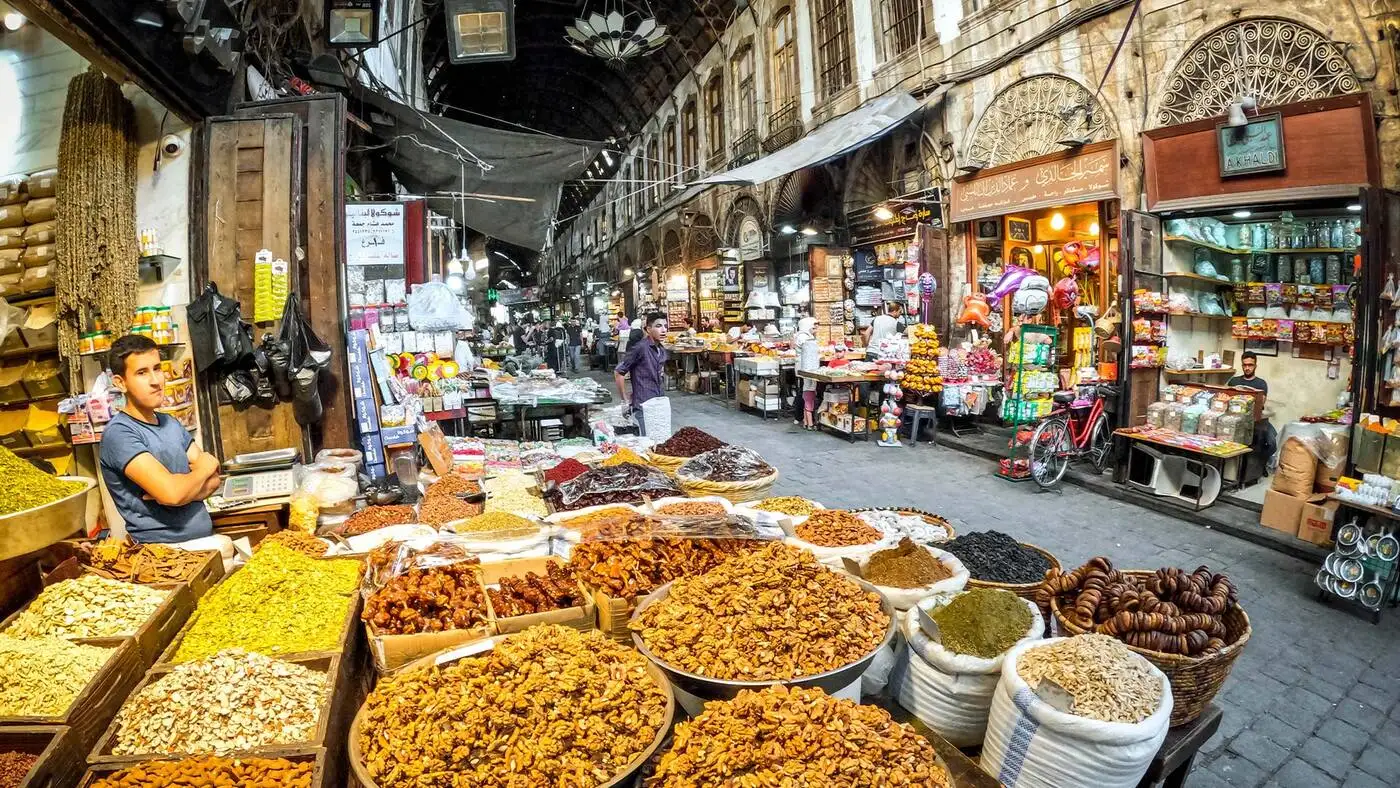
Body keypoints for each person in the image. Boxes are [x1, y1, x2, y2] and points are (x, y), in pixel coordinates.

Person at [99, 334, 220, 543]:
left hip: (204, 542)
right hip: (164, 556)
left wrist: (183, 490)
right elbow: (172, 494)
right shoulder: (120, 435)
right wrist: (206, 466)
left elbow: (214, 480)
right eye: (142, 373)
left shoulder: (170, 423)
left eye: (157, 368)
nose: (156, 381)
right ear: (120, 382)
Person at [614, 312, 669, 436]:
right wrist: (624, 400)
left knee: (661, 441)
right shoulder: (641, 348)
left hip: (659, 402)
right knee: (648, 442)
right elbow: (619, 372)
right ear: (648, 329)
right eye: (658, 326)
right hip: (644, 404)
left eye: (665, 326)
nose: (663, 330)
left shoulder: (661, 349)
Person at [1227, 350, 1277, 483]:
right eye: (1245, 365)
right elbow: (1226, 398)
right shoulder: (1234, 381)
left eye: (1250, 365)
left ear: (1255, 365)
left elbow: (1261, 403)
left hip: (1257, 419)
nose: (1247, 368)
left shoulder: (1261, 384)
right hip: (1236, 418)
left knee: (1272, 441)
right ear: (1242, 365)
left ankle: (1261, 464)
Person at [793, 316, 820, 430]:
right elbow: (809, 350)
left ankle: (803, 418)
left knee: (805, 389)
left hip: (808, 366)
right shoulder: (803, 337)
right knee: (807, 390)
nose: (815, 329)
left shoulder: (804, 336)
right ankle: (801, 417)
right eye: (813, 327)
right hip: (806, 367)